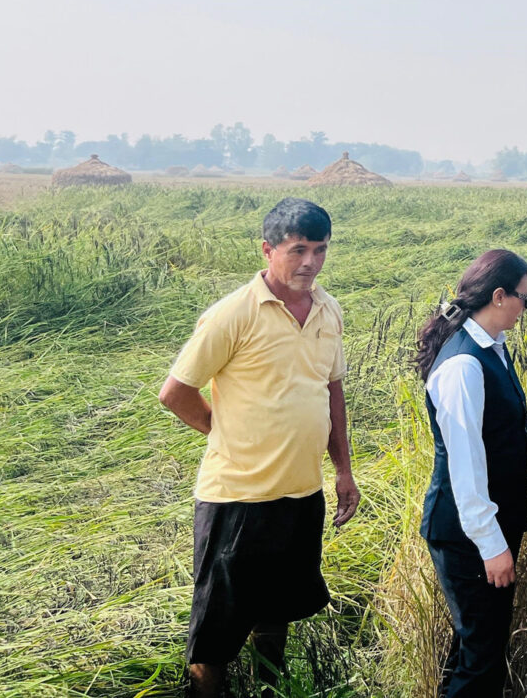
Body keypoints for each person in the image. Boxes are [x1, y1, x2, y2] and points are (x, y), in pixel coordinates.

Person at [158, 197, 359, 697]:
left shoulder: (329, 311)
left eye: (320, 250)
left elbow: (331, 391)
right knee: (216, 632)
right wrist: (223, 433)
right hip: (237, 497)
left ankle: (271, 689)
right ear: (268, 250)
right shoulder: (233, 315)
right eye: (297, 250)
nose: (309, 262)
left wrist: (343, 471)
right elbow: (175, 392)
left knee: (278, 611)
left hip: (300, 493)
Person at [416, 249, 527, 696]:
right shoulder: (463, 364)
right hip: (466, 533)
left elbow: (483, 436)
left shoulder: (491, 347)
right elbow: (465, 464)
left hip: (483, 525)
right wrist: (492, 546)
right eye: (524, 299)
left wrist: (518, 459)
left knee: (474, 643)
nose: (525, 308)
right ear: (499, 296)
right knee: (482, 657)